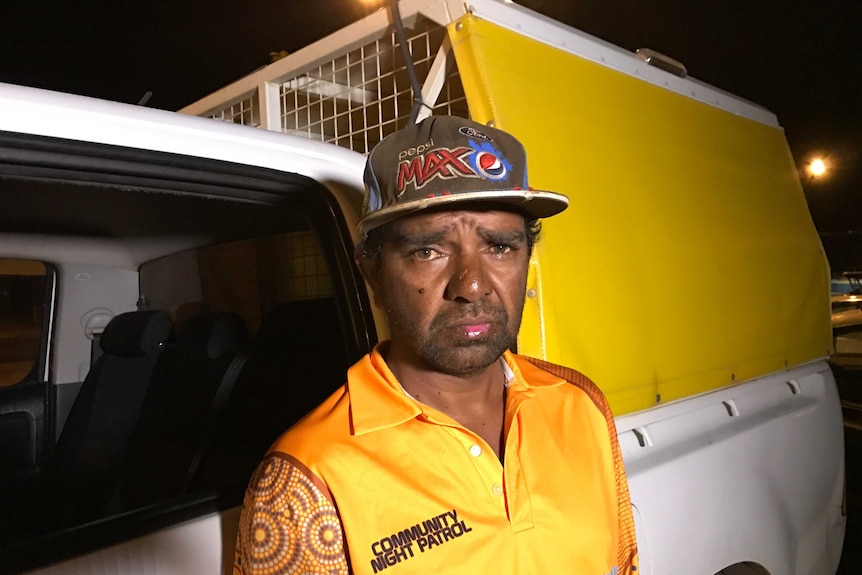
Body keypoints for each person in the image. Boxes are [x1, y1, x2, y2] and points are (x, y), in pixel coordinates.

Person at [233, 116, 639, 574]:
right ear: (374, 275)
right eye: (428, 250)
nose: (471, 285)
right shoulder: (307, 481)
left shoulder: (580, 405)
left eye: (500, 247)